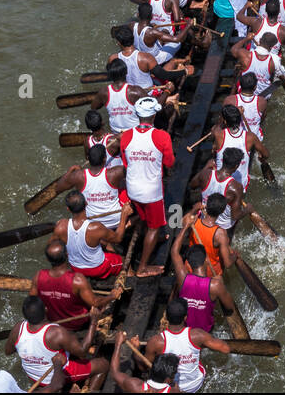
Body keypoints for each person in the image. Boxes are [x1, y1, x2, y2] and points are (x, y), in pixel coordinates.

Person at [119, 97, 175, 277]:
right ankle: (142, 267)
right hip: (151, 192)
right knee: (154, 226)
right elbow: (170, 162)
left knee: (145, 217)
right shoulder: (162, 136)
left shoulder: (126, 136)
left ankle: (154, 236)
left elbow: (126, 163)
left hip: (133, 189)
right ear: (154, 115)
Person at [6, 296, 108, 392]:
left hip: (33, 376)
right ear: (46, 310)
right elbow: (82, 352)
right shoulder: (57, 333)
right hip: (54, 377)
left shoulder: (17, 328)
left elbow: (8, 351)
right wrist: (93, 322)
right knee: (103, 365)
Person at [139, 297, 233, 393]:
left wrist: (135, 350)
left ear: (166, 317)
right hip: (195, 385)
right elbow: (226, 349)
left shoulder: (156, 342)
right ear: (185, 317)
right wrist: (202, 343)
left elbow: (143, 367)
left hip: (170, 388)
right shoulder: (198, 335)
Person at [31, 239, 112, 329]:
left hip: (53, 324)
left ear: (48, 259)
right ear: (67, 255)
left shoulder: (38, 276)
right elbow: (95, 302)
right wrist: (112, 296)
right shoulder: (77, 279)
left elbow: (32, 303)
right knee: (103, 306)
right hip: (78, 324)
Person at [171, 231, 240, 333]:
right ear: (206, 261)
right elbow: (230, 307)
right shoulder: (215, 285)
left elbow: (174, 252)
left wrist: (185, 227)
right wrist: (221, 285)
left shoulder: (182, 278)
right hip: (205, 332)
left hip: (185, 330)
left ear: (189, 263)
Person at [51, 190, 129, 279]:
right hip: (97, 268)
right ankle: (131, 277)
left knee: (104, 242)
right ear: (86, 203)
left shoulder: (61, 226)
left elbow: (52, 247)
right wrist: (124, 215)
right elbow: (118, 238)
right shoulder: (95, 227)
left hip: (75, 267)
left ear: (68, 209)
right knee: (125, 261)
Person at [109, 332, 180, 393]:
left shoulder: (135, 386)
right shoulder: (174, 391)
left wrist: (118, 344)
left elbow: (115, 373)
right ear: (167, 379)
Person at [187, 195, 236, 276]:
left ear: (206, 205)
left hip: (190, 265)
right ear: (222, 211)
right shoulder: (221, 234)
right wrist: (235, 256)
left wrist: (194, 209)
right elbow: (227, 264)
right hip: (209, 270)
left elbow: (182, 222)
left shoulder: (194, 221)